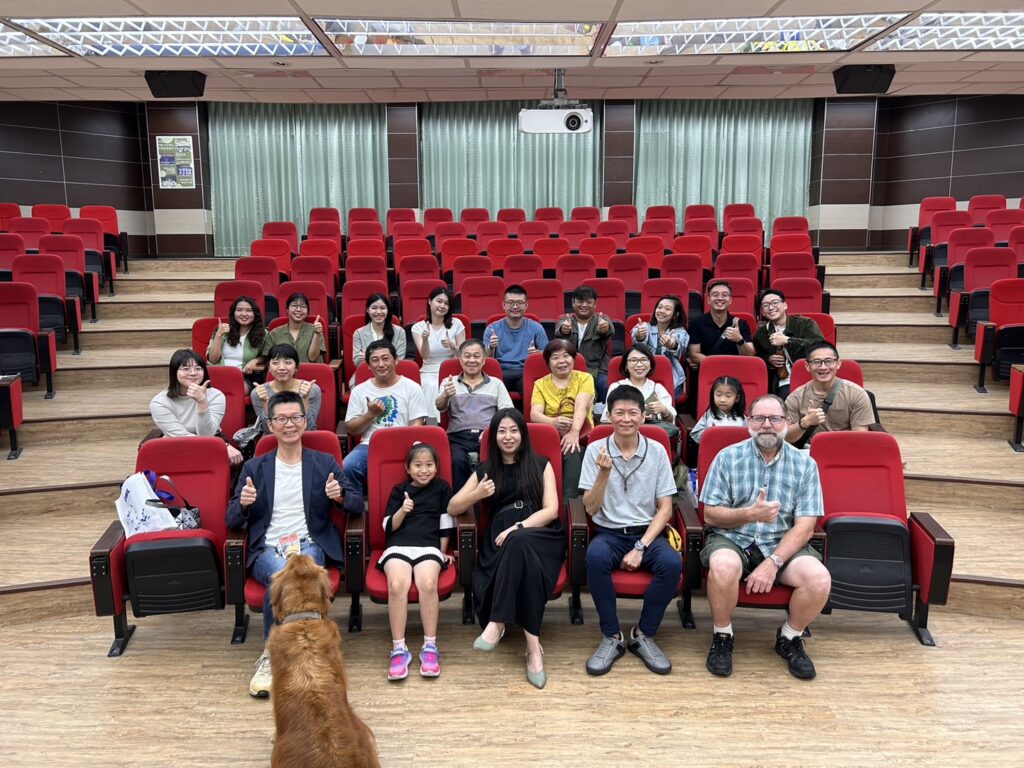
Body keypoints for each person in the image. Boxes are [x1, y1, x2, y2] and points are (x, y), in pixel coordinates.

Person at [699, 394, 831, 680]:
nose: (767, 425)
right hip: (733, 538)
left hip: (781, 543)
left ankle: (790, 637)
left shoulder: (805, 465)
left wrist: (773, 562)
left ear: (787, 422)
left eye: (774, 418)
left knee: (819, 579)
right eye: (759, 418)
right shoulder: (727, 457)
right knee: (723, 566)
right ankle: (722, 636)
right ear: (749, 422)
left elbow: (805, 526)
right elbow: (710, 515)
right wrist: (750, 514)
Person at [226, 391, 345, 697]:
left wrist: (340, 496)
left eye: (295, 418)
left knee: (294, 574)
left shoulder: (324, 462)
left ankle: (296, 653)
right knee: (284, 575)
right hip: (268, 548)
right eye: (281, 419)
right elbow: (231, 518)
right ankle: (275, 655)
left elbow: (356, 502)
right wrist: (244, 504)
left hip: (309, 543)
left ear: (305, 421)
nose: (289, 424)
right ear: (270, 425)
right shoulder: (254, 468)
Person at [447, 408, 564, 689]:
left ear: (523, 434)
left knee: (519, 540)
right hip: (499, 540)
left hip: (540, 532)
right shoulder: (486, 470)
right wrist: (477, 494)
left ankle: (497, 622)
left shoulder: (541, 464)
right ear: (494, 437)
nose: (508, 436)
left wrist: (518, 527)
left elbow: (551, 509)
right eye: (502, 431)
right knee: (522, 557)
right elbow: (452, 507)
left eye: (514, 430)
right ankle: (533, 649)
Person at [580, 385, 681, 676]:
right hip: (609, 533)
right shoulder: (596, 450)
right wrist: (604, 473)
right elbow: (590, 508)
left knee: (671, 564)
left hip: (647, 533)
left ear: (643, 416)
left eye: (633, 413)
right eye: (619, 413)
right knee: (595, 558)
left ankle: (643, 634)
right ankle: (612, 635)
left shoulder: (657, 451)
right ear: (608, 416)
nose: (626, 419)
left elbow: (665, 509)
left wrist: (640, 547)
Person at [379, 443, 456, 681]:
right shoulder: (399, 490)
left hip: (428, 546)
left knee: (428, 584)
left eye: (429, 465)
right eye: (418, 465)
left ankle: (430, 646)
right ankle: (399, 648)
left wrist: (442, 551)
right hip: (399, 545)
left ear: (437, 467)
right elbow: (388, 526)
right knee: (397, 585)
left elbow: (446, 522)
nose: (424, 470)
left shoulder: (442, 488)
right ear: (408, 468)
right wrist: (403, 510)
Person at [342, 340, 428, 515]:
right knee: (348, 466)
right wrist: (370, 414)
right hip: (370, 445)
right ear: (368, 365)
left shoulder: (412, 387)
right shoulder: (359, 390)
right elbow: (350, 428)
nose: (381, 364)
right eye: (375, 360)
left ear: (396, 360)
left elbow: (417, 426)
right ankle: (357, 515)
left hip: (405, 444)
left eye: (385, 358)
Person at [435, 339, 514, 492]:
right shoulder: (449, 382)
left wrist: (491, 431)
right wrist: (445, 394)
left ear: (484, 360)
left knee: (492, 462)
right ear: (460, 359)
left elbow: (508, 413)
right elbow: (440, 406)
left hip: (488, 436)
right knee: (456, 461)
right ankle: (461, 503)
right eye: (467, 356)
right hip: (458, 437)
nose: (472, 360)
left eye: (477, 356)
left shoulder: (496, 384)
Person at [150, 348, 242, 465]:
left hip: (211, 440)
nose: (193, 373)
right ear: (174, 372)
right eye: (186, 369)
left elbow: (206, 435)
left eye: (198, 368)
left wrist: (202, 401)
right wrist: (223, 445)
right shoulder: (159, 402)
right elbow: (181, 436)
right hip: (176, 445)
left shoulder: (216, 395)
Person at [529, 339, 595, 499]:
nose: (561, 361)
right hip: (550, 436)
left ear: (573, 359)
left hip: (579, 435)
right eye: (555, 357)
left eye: (566, 356)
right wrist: (553, 422)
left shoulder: (585, 378)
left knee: (573, 452)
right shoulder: (540, 384)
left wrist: (574, 432)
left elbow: (581, 406)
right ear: (548, 362)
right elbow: (534, 414)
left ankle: (568, 505)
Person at [785, 342, 875, 445]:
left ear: (838, 364)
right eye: (816, 362)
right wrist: (805, 422)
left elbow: (860, 439)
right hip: (809, 451)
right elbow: (786, 438)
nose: (823, 367)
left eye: (829, 361)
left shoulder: (857, 394)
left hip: (845, 448)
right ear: (807, 366)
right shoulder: (795, 397)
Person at [752, 289, 825, 398]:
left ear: (785, 305)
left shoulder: (806, 323)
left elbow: (820, 347)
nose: (771, 307)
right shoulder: (760, 334)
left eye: (775, 303)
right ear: (762, 312)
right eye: (766, 305)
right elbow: (758, 357)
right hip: (783, 382)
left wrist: (788, 340)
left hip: (811, 376)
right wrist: (769, 359)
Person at [601, 345, 678, 444]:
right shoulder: (616, 387)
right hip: (623, 437)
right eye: (633, 360)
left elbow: (672, 421)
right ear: (626, 365)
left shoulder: (657, 388)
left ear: (650, 365)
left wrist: (664, 410)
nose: (639, 364)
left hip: (653, 439)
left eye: (644, 360)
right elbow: (606, 418)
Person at [483, 284, 548, 394]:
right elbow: (485, 360)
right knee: (491, 392)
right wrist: (490, 347)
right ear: (504, 305)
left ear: (526, 305)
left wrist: (537, 354)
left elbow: (547, 356)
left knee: (534, 392)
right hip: (501, 371)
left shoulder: (537, 328)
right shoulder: (492, 329)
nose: (515, 306)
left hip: (527, 371)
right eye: (510, 302)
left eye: (519, 303)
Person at [412, 286, 466, 420]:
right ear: (430, 301)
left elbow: (464, 354)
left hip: (452, 368)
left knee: (452, 385)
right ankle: (432, 423)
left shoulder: (457, 324)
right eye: (439, 301)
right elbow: (425, 356)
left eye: (446, 303)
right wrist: (425, 339)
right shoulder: (418, 327)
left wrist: (453, 346)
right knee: (430, 386)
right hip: (429, 369)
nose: (442, 306)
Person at [554, 285, 612, 401]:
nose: (584, 305)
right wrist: (564, 330)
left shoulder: (602, 319)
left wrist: (604, 328)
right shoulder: (565, 319)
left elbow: (608, 328)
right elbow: (559, 330)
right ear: (573, 303)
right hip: (570, 370)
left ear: (595, 304)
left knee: (605, 385)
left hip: (597, 371)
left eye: (589, 302)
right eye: (580, 301)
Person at [251, 344, 322, 436]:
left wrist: (305, 400)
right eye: (275, 363)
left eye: (287, 363)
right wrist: (265, 403)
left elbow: (309, 428)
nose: (281, 368)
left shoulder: (311, 389)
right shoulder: (259, 393)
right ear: (268, 367)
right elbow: (268, 430)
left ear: (296, 367)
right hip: (274, 441)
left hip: (305, 440)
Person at [631, 294, 690, 398]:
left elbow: (678, 342)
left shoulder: (680, 331)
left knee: (659, 398)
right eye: (660, 307)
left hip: (670, 378)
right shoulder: (644, 326)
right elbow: (635, 334)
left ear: (675, 315)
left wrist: (670, 343)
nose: (661, 311)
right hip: (644, 375)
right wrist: (640, 336)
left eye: (667, 309)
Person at [687, 279, 755, 366]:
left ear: (730, 300)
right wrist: (720, 366)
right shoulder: (697, 323)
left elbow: (750, 355)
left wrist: (739, 340)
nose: (720, 298)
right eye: (715, 295)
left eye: (724, 295)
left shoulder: (741, 324)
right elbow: (694, 355)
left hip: (735, 369)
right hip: (708, 369)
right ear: (708, 299)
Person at [206, 295, 266, 392]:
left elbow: (266, 356)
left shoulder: (263, 334)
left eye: (248, 310)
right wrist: (219, 335)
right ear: (233, 313)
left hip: (244, 377)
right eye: (239, 310)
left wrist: (255, 360)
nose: (244, 314)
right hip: (218, 374)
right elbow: (213, 360)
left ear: (255, 313)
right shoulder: (222, 330)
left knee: (234, 388)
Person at [350, 292, 406, 385]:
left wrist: (369, 357)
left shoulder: (399, 332)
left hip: (391, 376)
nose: (379, 312)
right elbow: (357, 361)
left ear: (388, 310)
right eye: (374, 308)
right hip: (365, 376)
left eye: (382, 308)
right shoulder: (359, 333)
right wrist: (387, 358)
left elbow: (399, 360)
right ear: (367, 310)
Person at [260, 291, 325, 365]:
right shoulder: (274, 334)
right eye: (294, 305)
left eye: (303, 306)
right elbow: (267, 359)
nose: (299, 310)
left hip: (311, 371)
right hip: (283, 372)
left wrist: (316, 333)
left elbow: (313, 357)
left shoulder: (316, 330)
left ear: (307, 312)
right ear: (287, 310)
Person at [690, 376, 747, 444]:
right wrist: (710, 435)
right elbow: (695, 433)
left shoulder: (742, 419)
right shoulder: (709, 415)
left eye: (728, 396)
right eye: (718, 395)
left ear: (737, 398)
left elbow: (749, 437)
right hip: (713, 449)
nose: (722, 400)